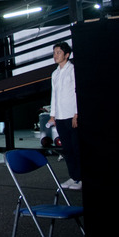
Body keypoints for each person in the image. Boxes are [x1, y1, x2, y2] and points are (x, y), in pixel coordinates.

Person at [48, 42, 81, 190]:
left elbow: (76, 93)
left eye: (58, 53)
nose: (55, 55)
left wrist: (76, 113)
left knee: (77, 148)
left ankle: (80, 178)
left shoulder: (72, 70)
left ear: (67, 55)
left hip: (71, 116)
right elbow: (54, 95)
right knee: (67, 149)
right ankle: (73, 177)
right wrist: (52, 115)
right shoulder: (54, 74)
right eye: (54, 53)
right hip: (60, 117)